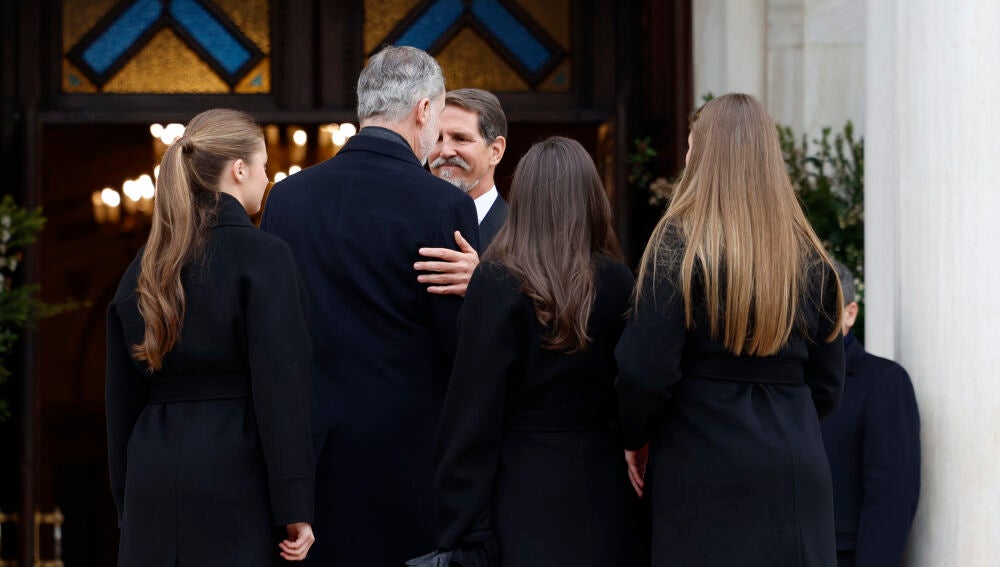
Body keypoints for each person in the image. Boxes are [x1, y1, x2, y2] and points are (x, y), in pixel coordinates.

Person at [260, 46, 480, 565]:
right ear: (424, 111)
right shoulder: (443, 204)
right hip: (410, 461)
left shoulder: (288, 200)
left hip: (310, 460)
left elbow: (271, 331)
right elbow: (461, 346)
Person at [615, 93, 845, 566]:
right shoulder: (811, 256)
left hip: (702, 463)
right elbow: (827, 384)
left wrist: (635, 437)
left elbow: (645, 372)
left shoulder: (675, 244)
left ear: (701, 156)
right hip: (794, 469)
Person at [106, 108, 315, 565]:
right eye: (264, 165)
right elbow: (282, 387)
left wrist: (128, 499)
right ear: (239, 169)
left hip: (152, 469)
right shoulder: (264, 256)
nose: (267, 177)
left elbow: (120, 399)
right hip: (237, 469)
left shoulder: (145, 262)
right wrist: (294, 502)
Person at [425, 137, 645, 566]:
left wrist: (460, 520)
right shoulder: (618, 279)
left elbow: (473, 410)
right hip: (604, 483)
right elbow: (634, 382)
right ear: (590, 198)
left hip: (520, 484)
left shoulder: (497, 280)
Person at [820, 263, 920, 567]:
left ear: (850, 313)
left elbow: (890, 503)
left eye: (823, 307)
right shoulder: (784, 382)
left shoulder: (884, 381)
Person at [414, 88, 509, 296]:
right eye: (437, 138)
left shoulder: (522, 233)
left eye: (460, 138)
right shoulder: (409, 221)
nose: (445, 151)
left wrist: (482, 285)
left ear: (495, 151)